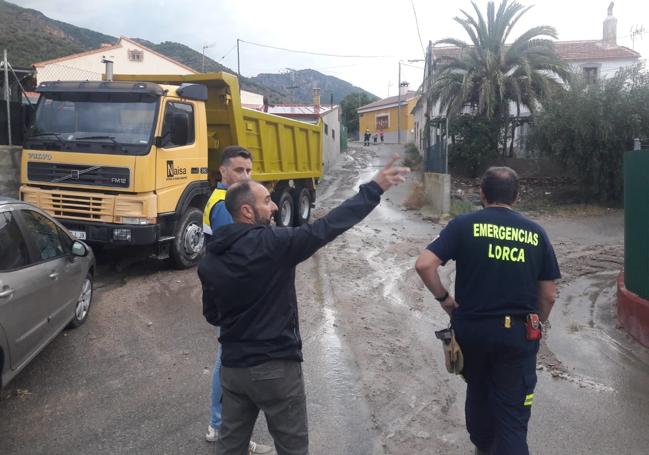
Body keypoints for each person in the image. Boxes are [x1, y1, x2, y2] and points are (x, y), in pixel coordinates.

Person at [198, 156, 409, 455]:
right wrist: (374, 188)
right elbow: (327, 226)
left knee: (230, 448)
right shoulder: (275, 244)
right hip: (276, 369)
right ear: (247, 211)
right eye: (268, 201)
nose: (274, 207)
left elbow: (212, 315)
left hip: (233, 371)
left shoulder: (211, 259)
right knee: (293, 448)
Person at [415, 167, 560, 455]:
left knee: (478, 391)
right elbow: (549, 295)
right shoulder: (536, 233)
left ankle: (483, 445)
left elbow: (424, 265)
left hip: (473, 332)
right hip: (517, 335)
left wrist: (445, 299)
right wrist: (538, 323)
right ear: (516, 197)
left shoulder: (463, 225)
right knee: (512, 417)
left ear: (481, 193)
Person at [202, 145, 272, 454]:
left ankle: (222, 426)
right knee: (227, 360)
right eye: (238, 170)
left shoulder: (224, 200)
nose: (245, 176)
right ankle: (220, 426)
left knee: (227, 358)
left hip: (228, 291)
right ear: (223, 171)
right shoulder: (222, 206)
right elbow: (238, 253)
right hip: (233, 295)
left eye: (248, 170)